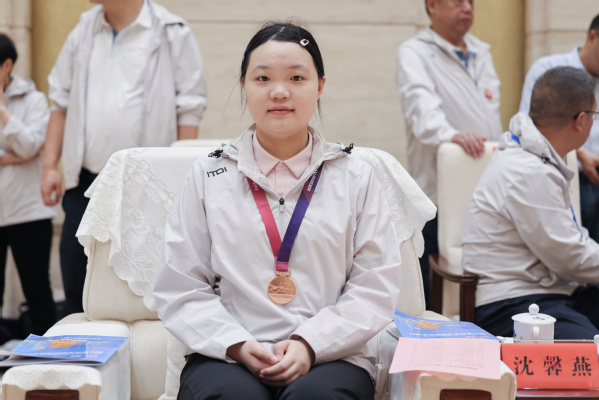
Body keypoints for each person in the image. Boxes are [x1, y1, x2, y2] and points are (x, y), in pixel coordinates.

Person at [153, 21, 401, 400]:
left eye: (297, 78)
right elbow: (181, 284)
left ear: (320, 85)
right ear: (244, 85)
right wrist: (237, 344)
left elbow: (374, 286)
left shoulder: (356, 178)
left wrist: (310, 343)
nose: (280, 91)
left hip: (332, 356)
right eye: (263, 78)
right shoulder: (207, 176)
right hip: (226, 354)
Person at [41, 0, 207, 315]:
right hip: (85, 181)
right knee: (76, 275)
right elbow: (59, 101)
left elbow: (189, 106)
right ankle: (82, 346)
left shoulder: (171, 32)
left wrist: (179, 176)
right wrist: (50, 166)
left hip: (144, 185)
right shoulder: (84, 29)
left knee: (140, 283)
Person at [463, 66, 599, 339]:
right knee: (589, 355)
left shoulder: (533, 155)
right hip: (513, 303)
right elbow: (570, 257)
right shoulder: (528, 171)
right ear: (581, 120)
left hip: (553, 291)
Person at [396, 0, 502, 305]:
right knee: (434, 279)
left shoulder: (481, 51)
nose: (467, 8)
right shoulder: (414, 51)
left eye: (471, 2)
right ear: (432, 5)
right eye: (458, 1)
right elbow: (422, 112)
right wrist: (451, 135)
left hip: (484, 185)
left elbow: (490, 113)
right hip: (437, 191)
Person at [519, 14, 599, 243]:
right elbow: (529, 130)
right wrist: (579, 155)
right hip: (561, 176)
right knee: (570, 250)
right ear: (592, 37)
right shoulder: (548, 69)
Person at [0, 33, 56, 338]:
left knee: (37, 292)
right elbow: (27, 149)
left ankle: (48, 359)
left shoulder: (34, 100)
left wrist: (3, 112)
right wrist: (17, 155)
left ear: (7, 65)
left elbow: (33, 145)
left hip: (29, 211)